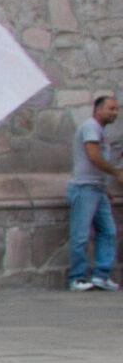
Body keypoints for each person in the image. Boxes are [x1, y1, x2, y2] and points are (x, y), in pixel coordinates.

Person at [70, 93, 120, 291]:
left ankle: (101, 275)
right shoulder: (91, 127)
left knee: (108, 231)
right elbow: (93, 156)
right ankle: (77, 278)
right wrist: (116, 172)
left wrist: (104, 187)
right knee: (80, 234)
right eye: (111, 109)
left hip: (97, 189)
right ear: (97, 109)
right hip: (84, 188)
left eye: (116, 109)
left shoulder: (99, 131)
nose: (115, 113)